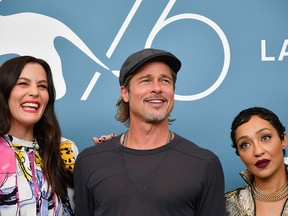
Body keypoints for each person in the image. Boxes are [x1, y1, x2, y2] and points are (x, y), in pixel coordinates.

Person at [74, 48, 226, 216]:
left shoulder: (204, 164)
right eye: (146, 80)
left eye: (165, 81)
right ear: (125, 93)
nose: (157, 88)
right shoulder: (90, 161)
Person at [0, 56, 78, 215]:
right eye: (23, 83)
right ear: (5, 90)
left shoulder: (65, 149)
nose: (35, 92)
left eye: (42, 86)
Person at [225, 107, 288, 215]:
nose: (258, 151)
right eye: (245, 144)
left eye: (265, 137)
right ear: (239, 153)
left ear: (283, 140)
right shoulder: (226, 205)